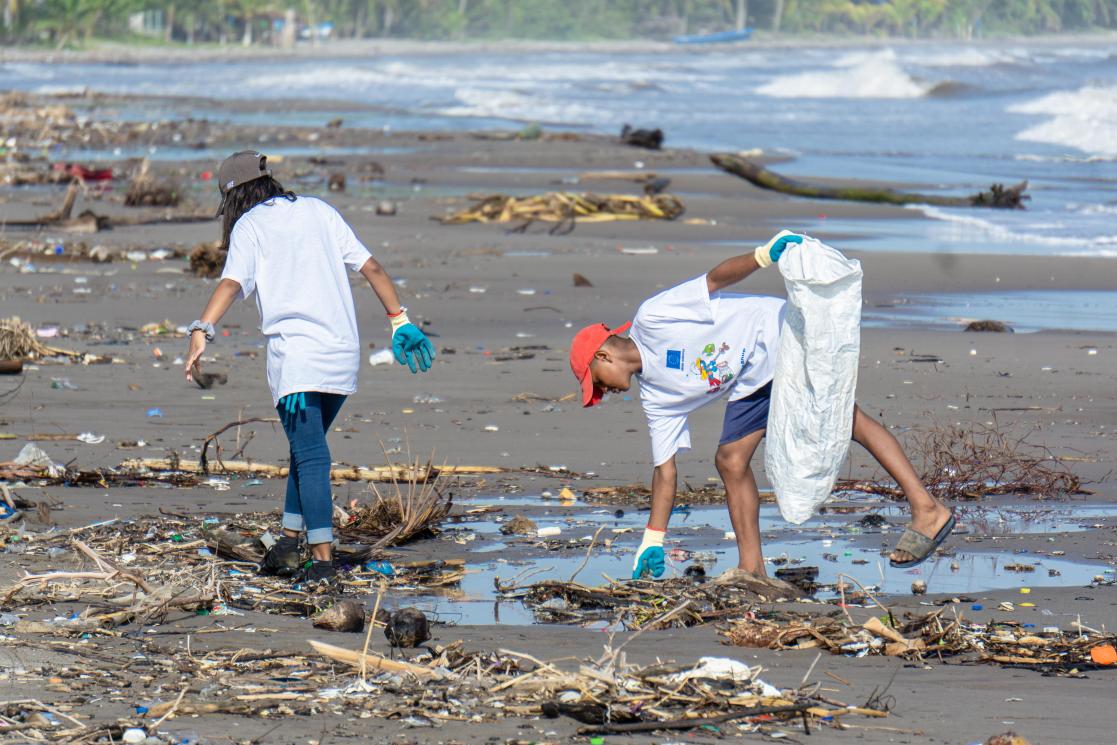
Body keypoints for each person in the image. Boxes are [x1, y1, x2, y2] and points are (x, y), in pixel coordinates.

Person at [569, 231, 955, 581]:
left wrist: (762, 255)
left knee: (847, 420)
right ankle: (752, 568)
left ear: (602, 356)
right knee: (731, 459)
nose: (603, 393)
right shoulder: (656, 396)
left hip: (782, 336)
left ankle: (927, 509)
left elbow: (714, 279)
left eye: (597, 384)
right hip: (752, 380)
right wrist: (651, 540)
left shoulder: (654, 317)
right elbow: (665, 472)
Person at [183, 151, 435, 583]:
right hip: (341, 355)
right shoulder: (320, 210)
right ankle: (287, 541)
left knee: (312, 455)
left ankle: (321, 561)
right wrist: (401, 321)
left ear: (232, 197)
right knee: (307, 450)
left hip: (297, 359)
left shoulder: (250, 226)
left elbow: (232, 282)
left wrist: (201, 329)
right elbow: (370, 266)